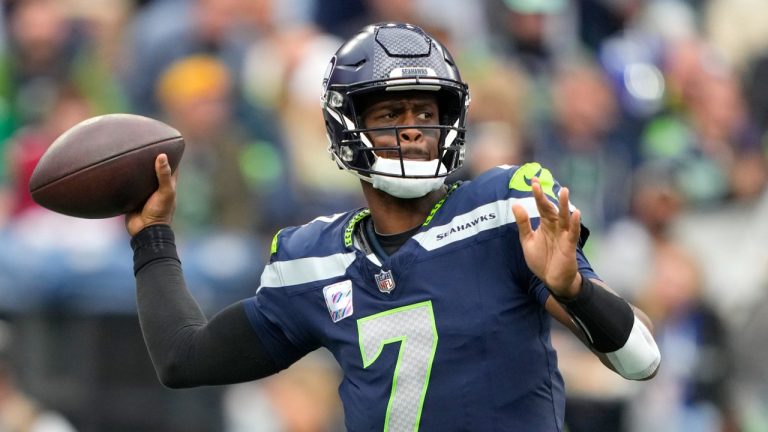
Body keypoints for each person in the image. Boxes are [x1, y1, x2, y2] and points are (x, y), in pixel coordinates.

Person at [125, 23, 661, 431]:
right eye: (389, 115)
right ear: (347, 126)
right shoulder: (313, 260)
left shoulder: (505, 209)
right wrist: (152, 238)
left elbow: (641, 359)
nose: (412, 131)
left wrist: (575, 290)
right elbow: (182, 357)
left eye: (425, 113)